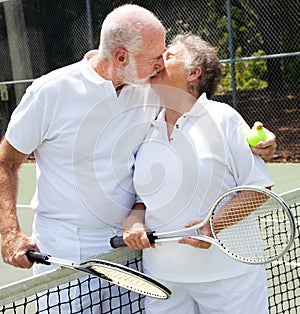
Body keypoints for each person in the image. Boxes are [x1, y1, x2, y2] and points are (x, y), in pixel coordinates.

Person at [0, 3, 274, 310]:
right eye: (155, 57)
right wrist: (9, 233)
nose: (159, 65)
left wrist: (261, 142)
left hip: (131, 252)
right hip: (65, 249)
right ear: (121, 57)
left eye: (164, 55)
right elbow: (6, 161)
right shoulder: (49, 92)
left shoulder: (150, 92)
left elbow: (196, 113)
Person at [122, 33, 273, 314]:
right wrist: (133, 223)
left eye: (168, 56)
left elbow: (258, 189)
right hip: (163, 281)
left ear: (193, 72)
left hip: (229, 280)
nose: (158, 61)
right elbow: (142, 202)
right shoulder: (146, 128)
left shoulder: (223, 118)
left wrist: (211, 226)